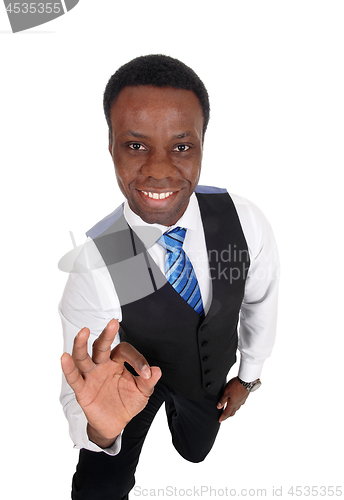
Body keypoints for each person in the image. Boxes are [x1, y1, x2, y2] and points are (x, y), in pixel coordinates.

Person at [60, 54, 279, 500]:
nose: (159, 170)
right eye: (136, 145)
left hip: (206, 381)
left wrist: (248, 376)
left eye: (181, 146)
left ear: (202, 144)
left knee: (195, 450)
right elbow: (82, 384)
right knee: (103, 485)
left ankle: (182, 417)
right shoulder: (99, 261)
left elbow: (260, 300)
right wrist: (100, 431)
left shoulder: (243, 220)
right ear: (111, 144)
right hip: (127, 386)